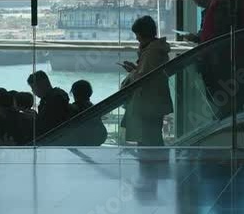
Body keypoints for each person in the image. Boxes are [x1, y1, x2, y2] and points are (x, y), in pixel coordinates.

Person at [119, 16, 173, 146]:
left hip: (148, 104)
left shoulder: (151, 52)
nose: (136, 38)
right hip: (155, 103)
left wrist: (133, 71)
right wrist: (136, 69)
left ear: (143, 34)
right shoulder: (156, 50)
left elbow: (143, 78)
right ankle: (155, 164)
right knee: (153, 137)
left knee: (147, 140)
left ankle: (151, 165)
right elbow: (150, 74)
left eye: (137, 35)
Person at [27, 71, 71, 138]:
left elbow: (47, 124)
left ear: (42, 84)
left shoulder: (54, 100)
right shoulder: (55, 96)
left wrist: (35, 118)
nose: (33, 91)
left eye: (33, 87)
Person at [68, 80, 107, 146]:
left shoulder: (74, 109)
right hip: (98, 138)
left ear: (74, 93)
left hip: (81, 141)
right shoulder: (93, 107)